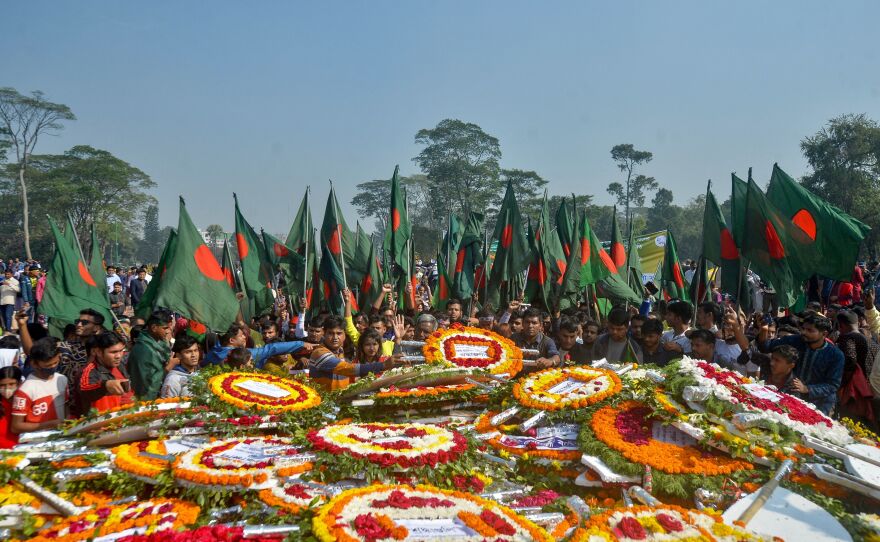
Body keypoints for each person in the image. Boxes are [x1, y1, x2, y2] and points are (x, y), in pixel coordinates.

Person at [759, 313, 844, 415]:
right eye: (803, 328)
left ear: (824, 334)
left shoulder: (835, 355)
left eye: (810, 330)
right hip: (790, 396)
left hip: (819, 403)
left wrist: (807, 389)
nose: (804, 332)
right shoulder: (795, 340)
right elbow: (766, 347)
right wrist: (764, 329)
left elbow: (832, 385)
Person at [309, 316, 401, 390]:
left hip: (339, 403)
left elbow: (346, 377)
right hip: (324, 404)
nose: (335, 337)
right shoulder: (319, 353)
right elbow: (345, 369)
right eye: (331, 333)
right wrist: (383, 365)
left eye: (339, 333)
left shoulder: (340, 351)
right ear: (324, 333)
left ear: (345, 335)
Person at [11, 337, 68, 434]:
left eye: (56, 363)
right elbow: (16, 427)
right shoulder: (25, 390)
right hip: (36, 442)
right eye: (48, 365)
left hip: (61, 436)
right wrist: (49, 425)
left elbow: (66, 407)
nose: (53, 367)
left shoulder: (62, 379)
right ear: (34, 364)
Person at [204, 322, 313, 368]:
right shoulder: (243, 354)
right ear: (232, 340)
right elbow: (271, 349)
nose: (244, 337)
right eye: (241, 335)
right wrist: (301, 344)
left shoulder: (213, 352)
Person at [78, 332, 133, 413]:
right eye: (113, 352)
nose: (119, 356)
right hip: (102, 422)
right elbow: (84, 390)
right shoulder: (90, 371)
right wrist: (105, 385)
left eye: (121, 350)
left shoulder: (120, 365)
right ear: (99, 352)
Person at [128, 309, 173, 401]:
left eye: (169, 328)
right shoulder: (144, 350)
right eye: (165, 328)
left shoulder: (156, 344)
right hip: (146, 402)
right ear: (154, 328)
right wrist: (167, 368)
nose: (168, 331)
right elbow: (146, 384)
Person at [0, 366, 22, 448]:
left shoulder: (25, 403)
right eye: (2, 385)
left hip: (22, 452)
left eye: (11, 384)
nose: (7, 388)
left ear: (19, 383)